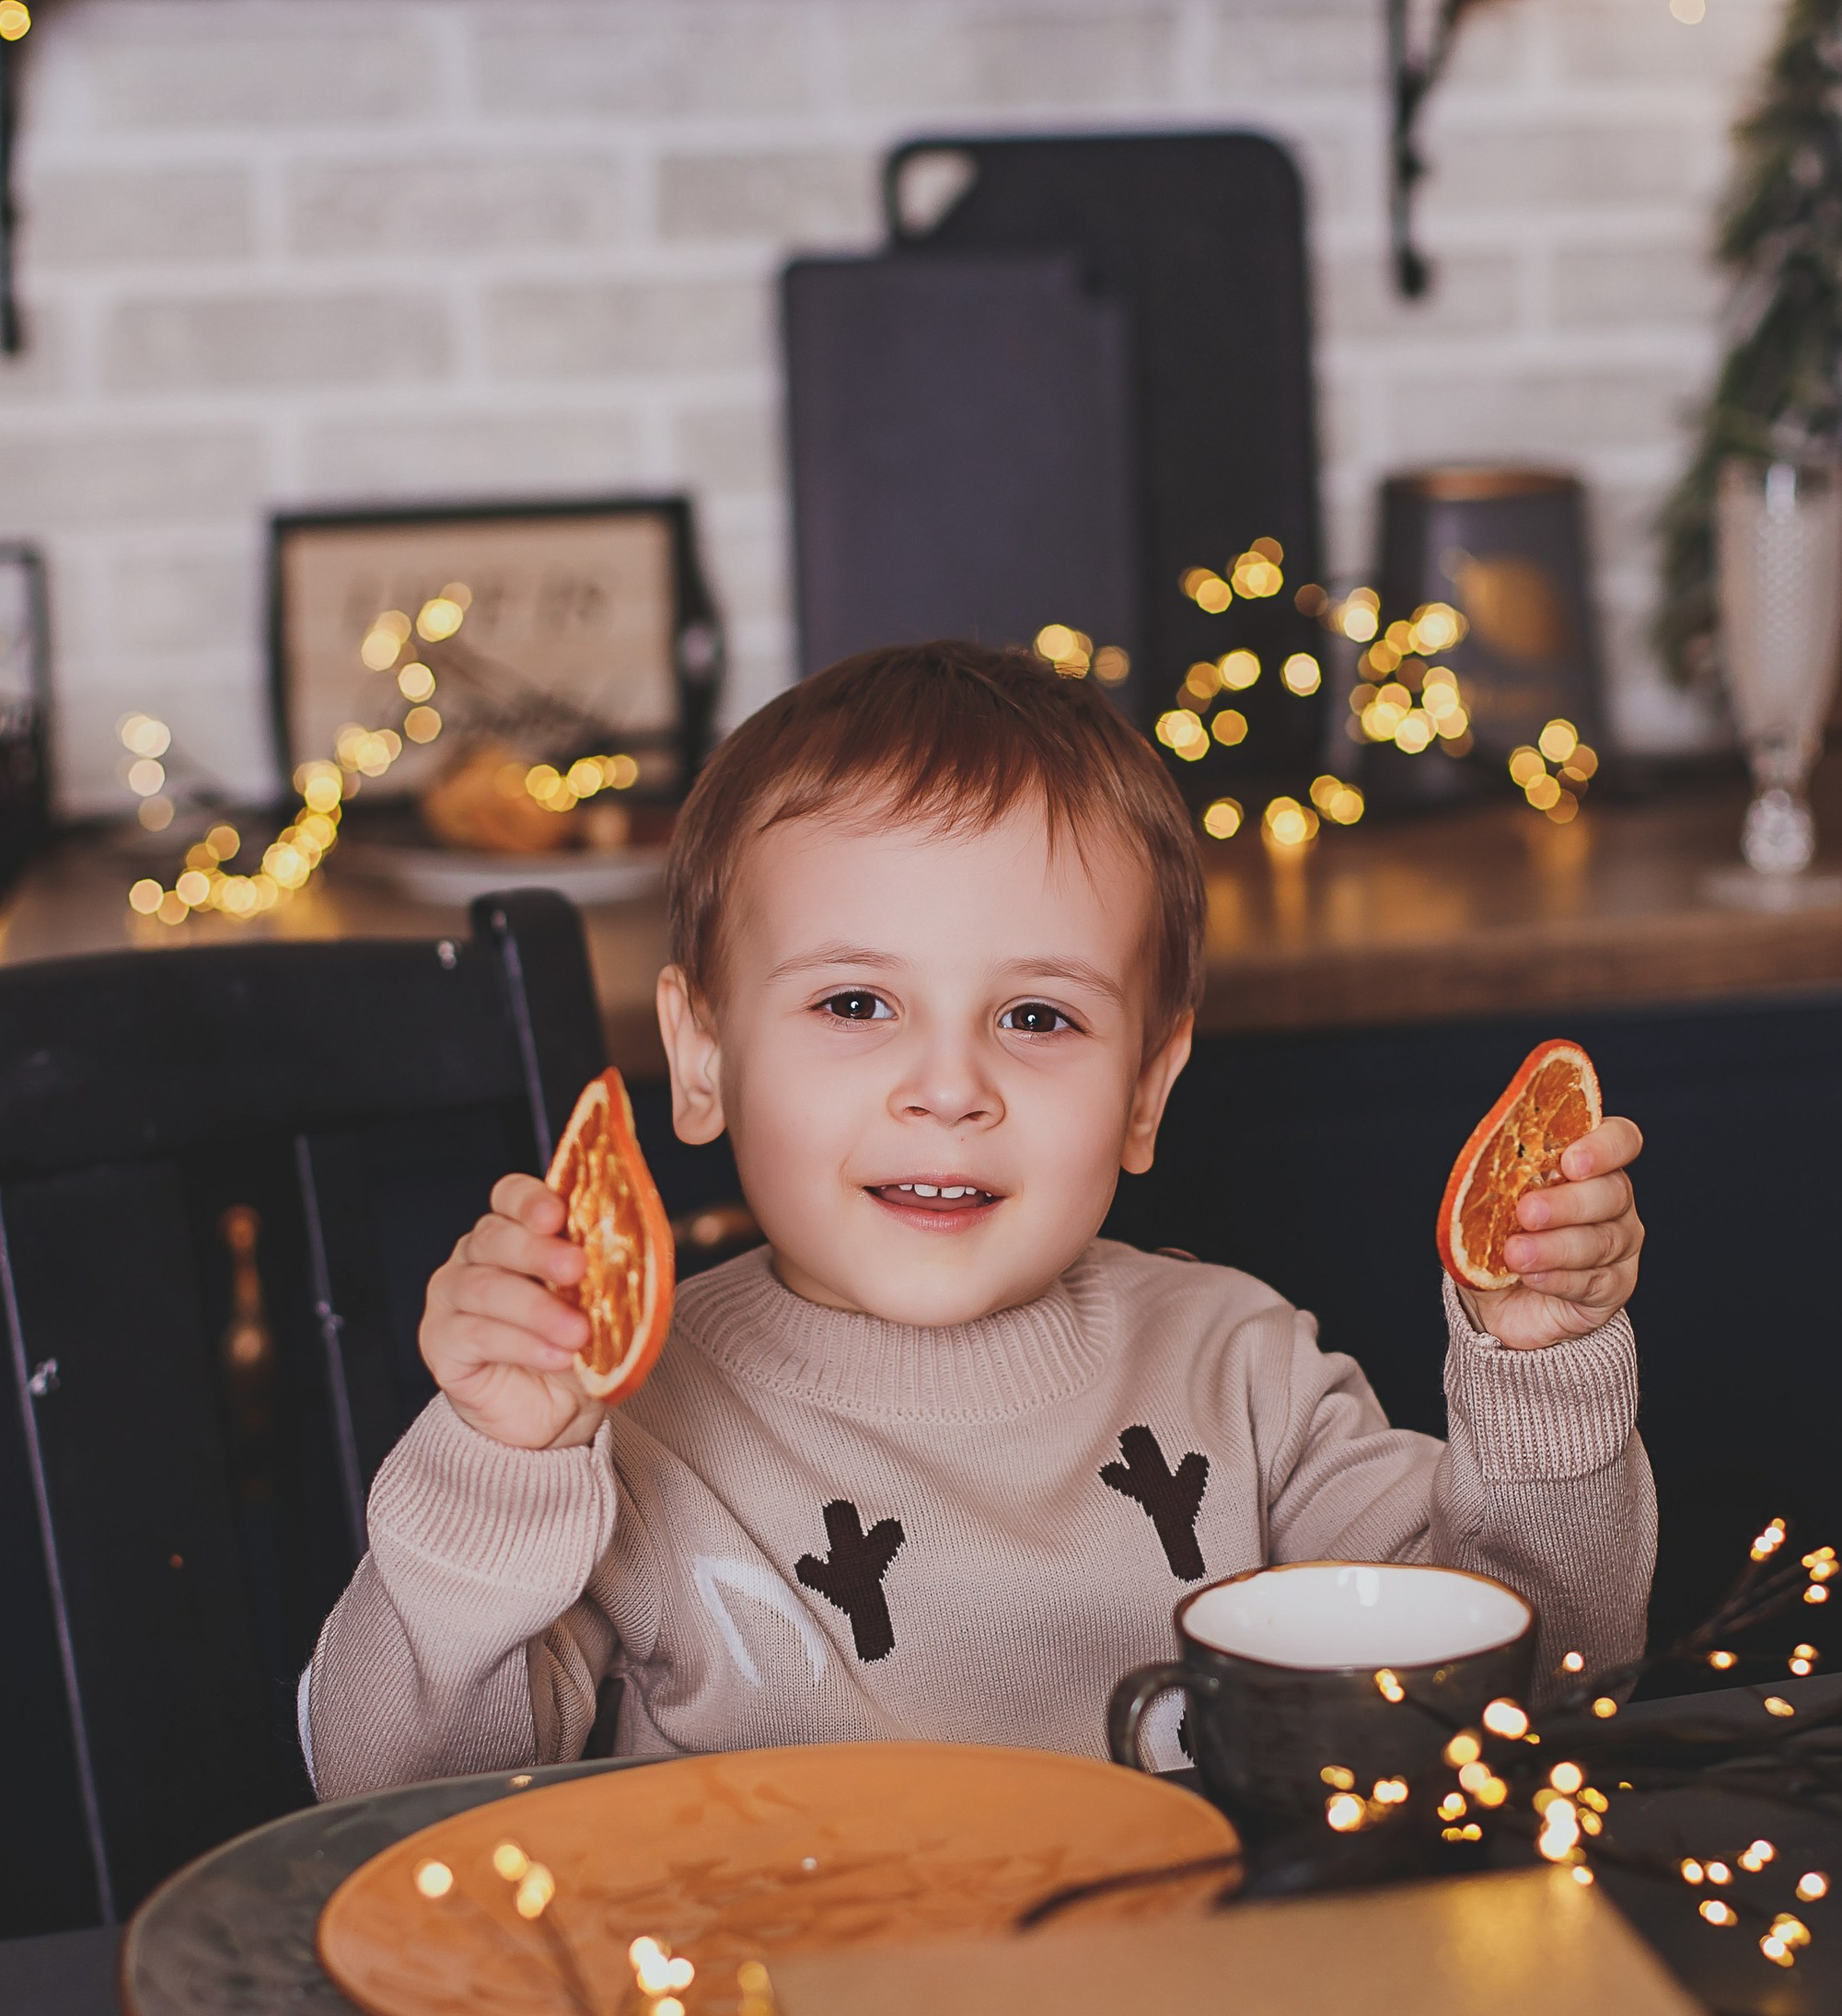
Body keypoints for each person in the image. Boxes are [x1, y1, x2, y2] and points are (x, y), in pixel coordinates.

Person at [304, 643, 1652, 1797]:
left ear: (1145, 1089)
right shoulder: (630, 1427)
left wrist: (1544, 1376)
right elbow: (391, 1792)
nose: (948, 1088)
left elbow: (1538, 1689)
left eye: (1036, 1017)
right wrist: (501, 1459)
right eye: (854, 1004)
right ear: (702, 1056)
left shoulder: (1241, 1373)